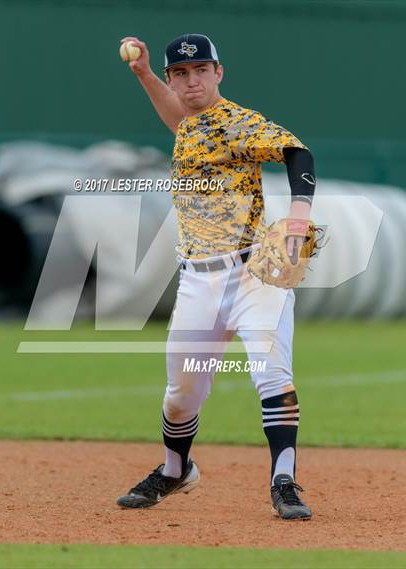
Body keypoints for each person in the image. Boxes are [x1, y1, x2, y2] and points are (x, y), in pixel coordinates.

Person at [117, 33, 316, 520]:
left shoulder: (238, 122)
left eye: (200, 71)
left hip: (254, 274)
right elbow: (178, 118)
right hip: (198, 279)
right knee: (182, 394)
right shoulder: (190, 126)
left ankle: (284, 481)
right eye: (180, 74)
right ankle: (174, 471)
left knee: (273, 375)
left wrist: (297, 215)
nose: (191, 82)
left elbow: (298, 153)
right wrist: (143, 73)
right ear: (172, 79)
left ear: (218, 73)